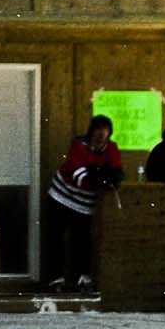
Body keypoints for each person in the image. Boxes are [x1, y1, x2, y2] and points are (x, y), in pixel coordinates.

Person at [47, 114, 123, 291]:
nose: (101, 134)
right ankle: (56, 279)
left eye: (105, 130)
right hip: (60, 196)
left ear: (109, 132)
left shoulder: (111, 148)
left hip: (84, 203)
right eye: (98, 129)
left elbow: (116, 171)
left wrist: (106, 176)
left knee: (81, 241)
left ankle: (83, 279)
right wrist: (100, 176)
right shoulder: (79, 145)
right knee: (56, 238)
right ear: (92, 131)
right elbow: (78, 174)